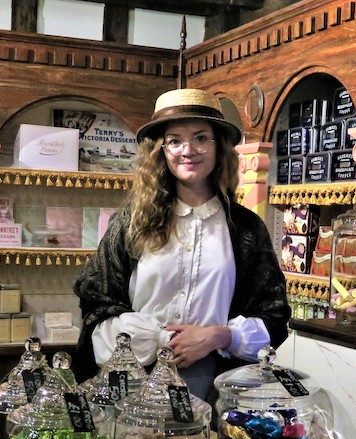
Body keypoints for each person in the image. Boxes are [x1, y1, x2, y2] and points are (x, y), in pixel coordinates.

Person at [73, 88, 291, 402]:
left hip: (213, 382)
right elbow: (97, 304)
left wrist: (219, 336)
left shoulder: (245, 228)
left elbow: (273, 314)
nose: (188, 150)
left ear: (219, 148)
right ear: (160, 150)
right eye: (175, 140)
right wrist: (158, 338)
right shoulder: (132, 221)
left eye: (201, 137)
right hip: (135, 376)